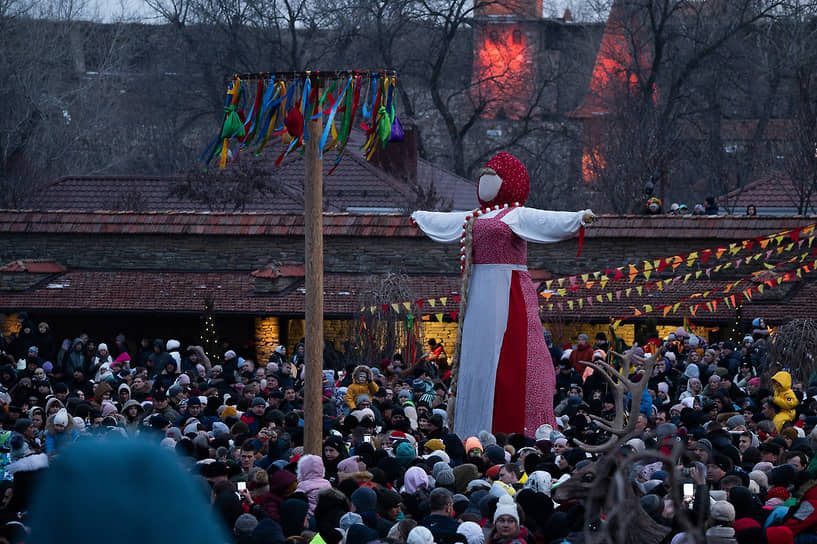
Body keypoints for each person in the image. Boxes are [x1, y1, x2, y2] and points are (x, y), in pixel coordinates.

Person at [411, 152, 595, 437]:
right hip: (478, 290)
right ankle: (471, 424)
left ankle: (514, 424)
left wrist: (578, 218)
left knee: (512, 352)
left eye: (492, 178)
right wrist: (422, 218)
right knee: (478, 357)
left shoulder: (516, 214)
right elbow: (451, 222)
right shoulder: (476, 215)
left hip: (507, 286)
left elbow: (545, 220)